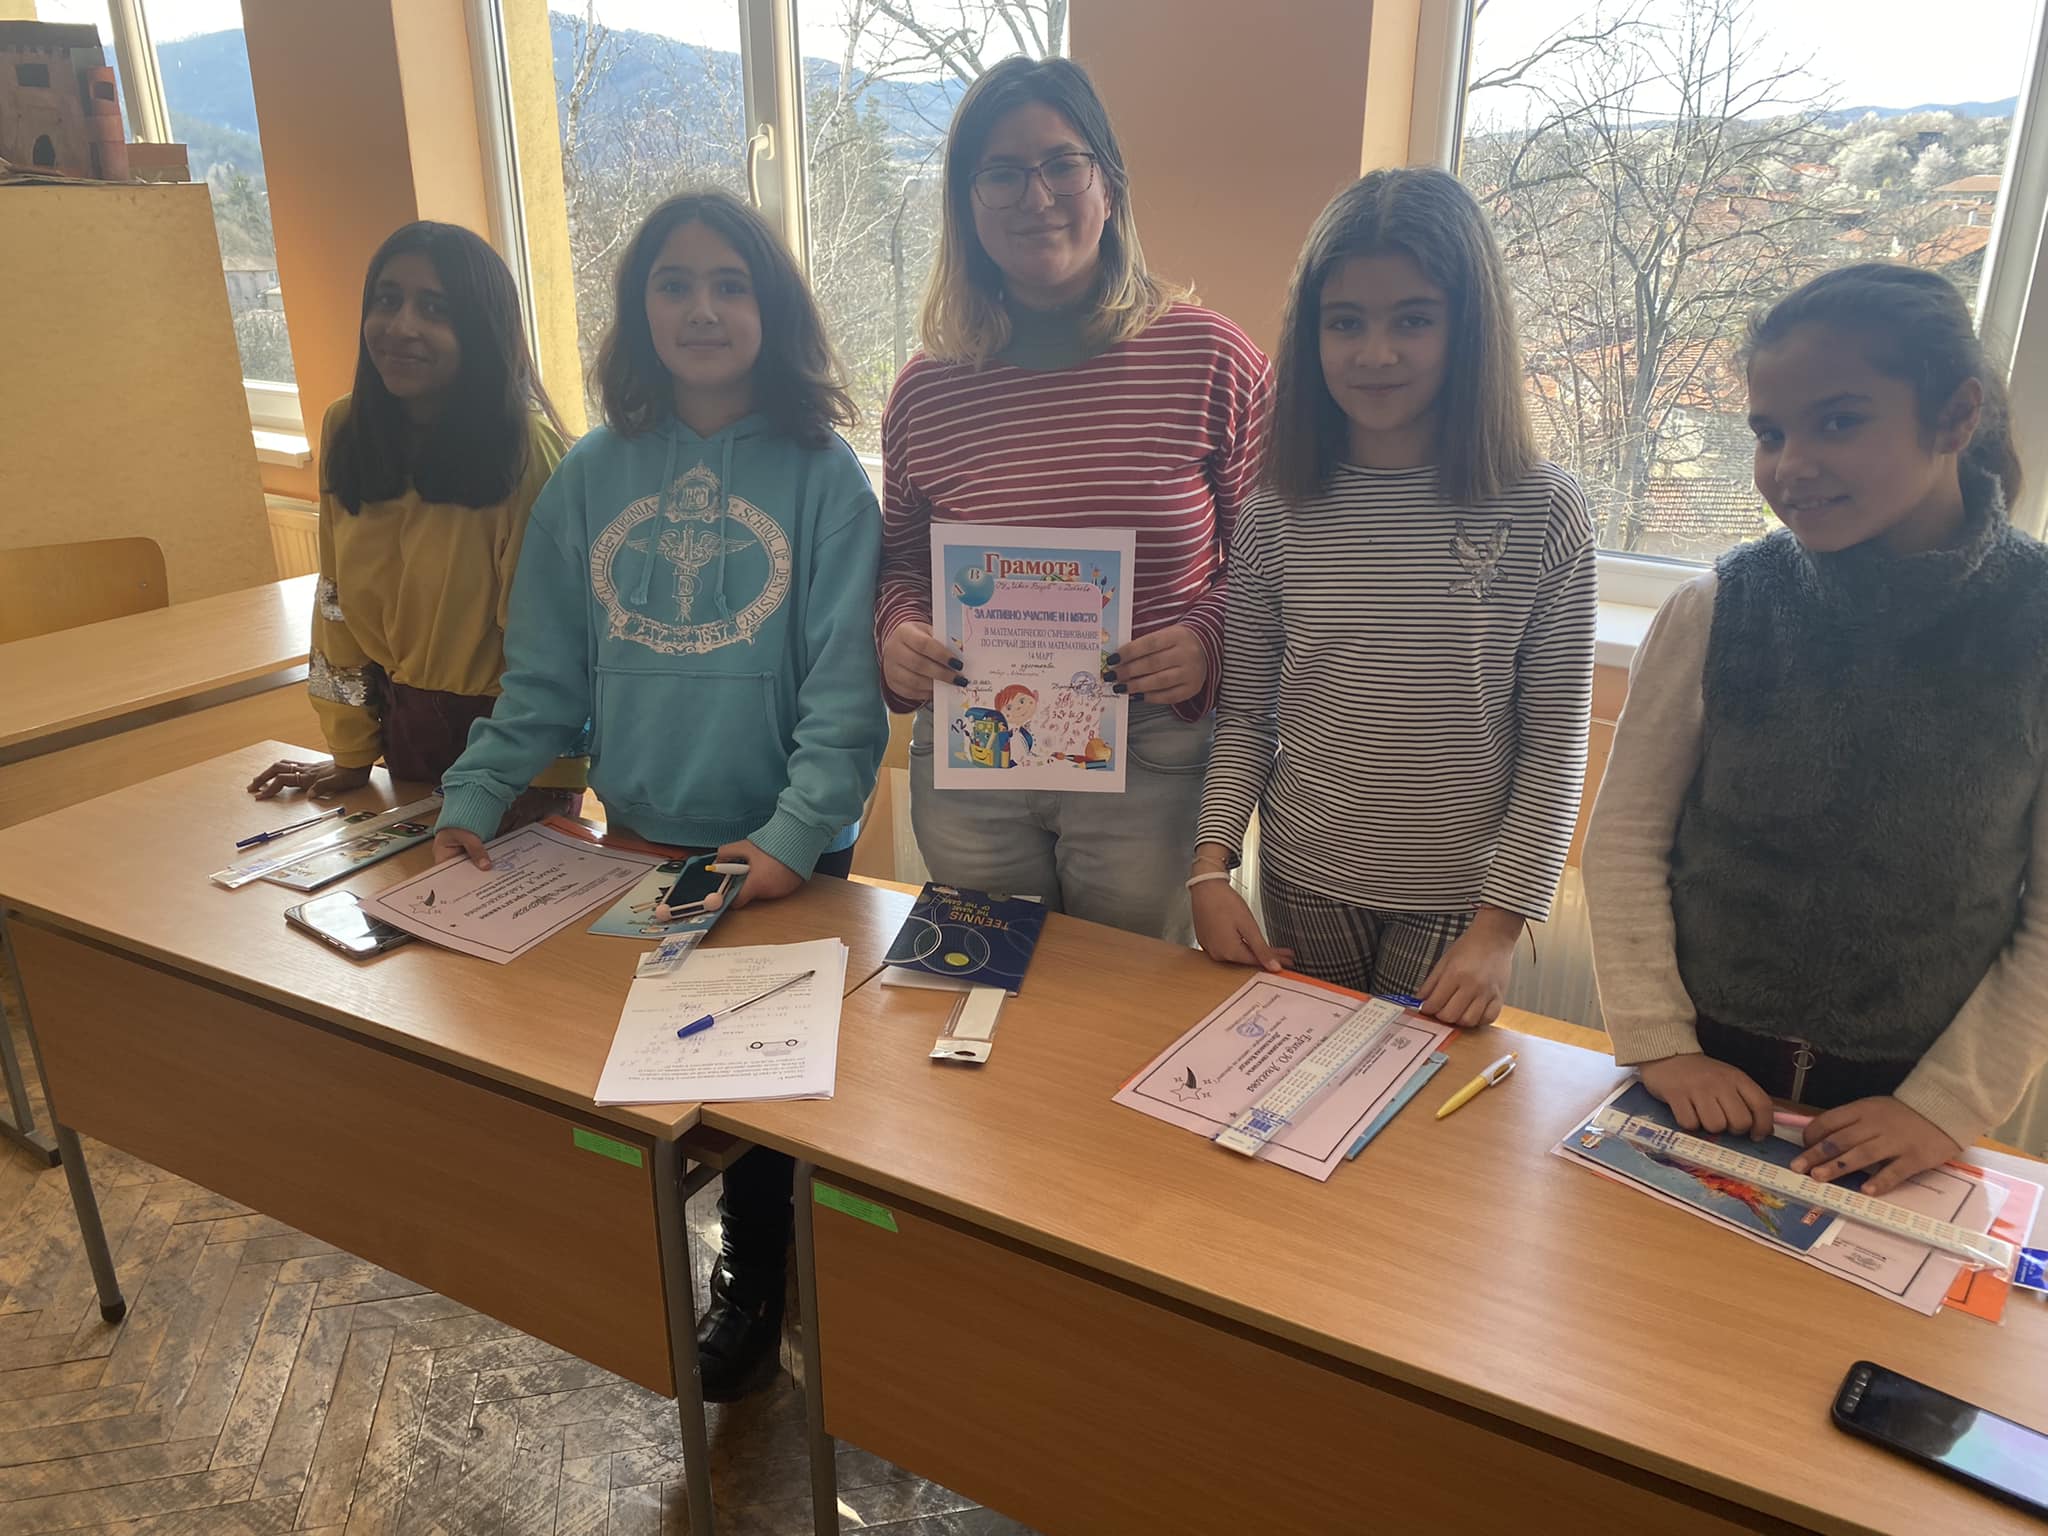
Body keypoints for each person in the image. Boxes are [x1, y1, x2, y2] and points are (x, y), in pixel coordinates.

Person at [429, 190, 887, 1396]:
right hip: (632, 840)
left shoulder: (826, 478)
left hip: (782, 850)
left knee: (760, 1096)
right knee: (652, 1073)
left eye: (730, 284)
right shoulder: (589, 476)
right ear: (638, 310)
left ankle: (758, 1270)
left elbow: (844, 698)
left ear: (771, 308)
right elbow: (542, 679)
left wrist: (791, 837)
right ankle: (669, 1261)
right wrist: (475, 794)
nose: (701, 309)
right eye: (673, 283)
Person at [1584, 262, 2048, 1197]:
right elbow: (1625, 842)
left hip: (1905, 1108)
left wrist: (1944, 1106)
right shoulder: (1716, 609)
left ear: (1955, 417)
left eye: (1839, 422)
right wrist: (1662, 1044)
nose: (1791, 465)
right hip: (1700, 1073)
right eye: (1770, 432)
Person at [875, 55, 1270, 945]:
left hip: (1151, 756)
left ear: (1109, 184)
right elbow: (900, 562)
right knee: (982, 990)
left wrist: (1207, 639)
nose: (1036, 196)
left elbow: (1272, 564)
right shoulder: (926, 388)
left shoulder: (1212, 359)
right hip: (976, 754)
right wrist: (897, 635)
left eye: (1062, 164)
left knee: (1133, 1003)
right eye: (1002, 174)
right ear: (967, 205)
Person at [1191, 168, 1595, 1022]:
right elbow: (1248, 716)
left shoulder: (1543, 509)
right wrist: (1209, 868)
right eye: (1346, 322)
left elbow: (1556, 747)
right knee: (1297, 1084)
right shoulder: (1274, 511)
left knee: (1414, 1100)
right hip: (1302, 879)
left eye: (1413, 319)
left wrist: (1499, 929)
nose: (1376, 353)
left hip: (1460, 901)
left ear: (1467, 328)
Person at [247, 222, 584, 817]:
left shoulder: (524, 449)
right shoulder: (347, 428)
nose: (401, 327)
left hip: (515, 748)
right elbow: (336, 605)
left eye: (435, 308)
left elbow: (551, 644)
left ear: (481, 328)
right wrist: (352, 751)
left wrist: (545, 782)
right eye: (387, 300)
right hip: (405, 732)